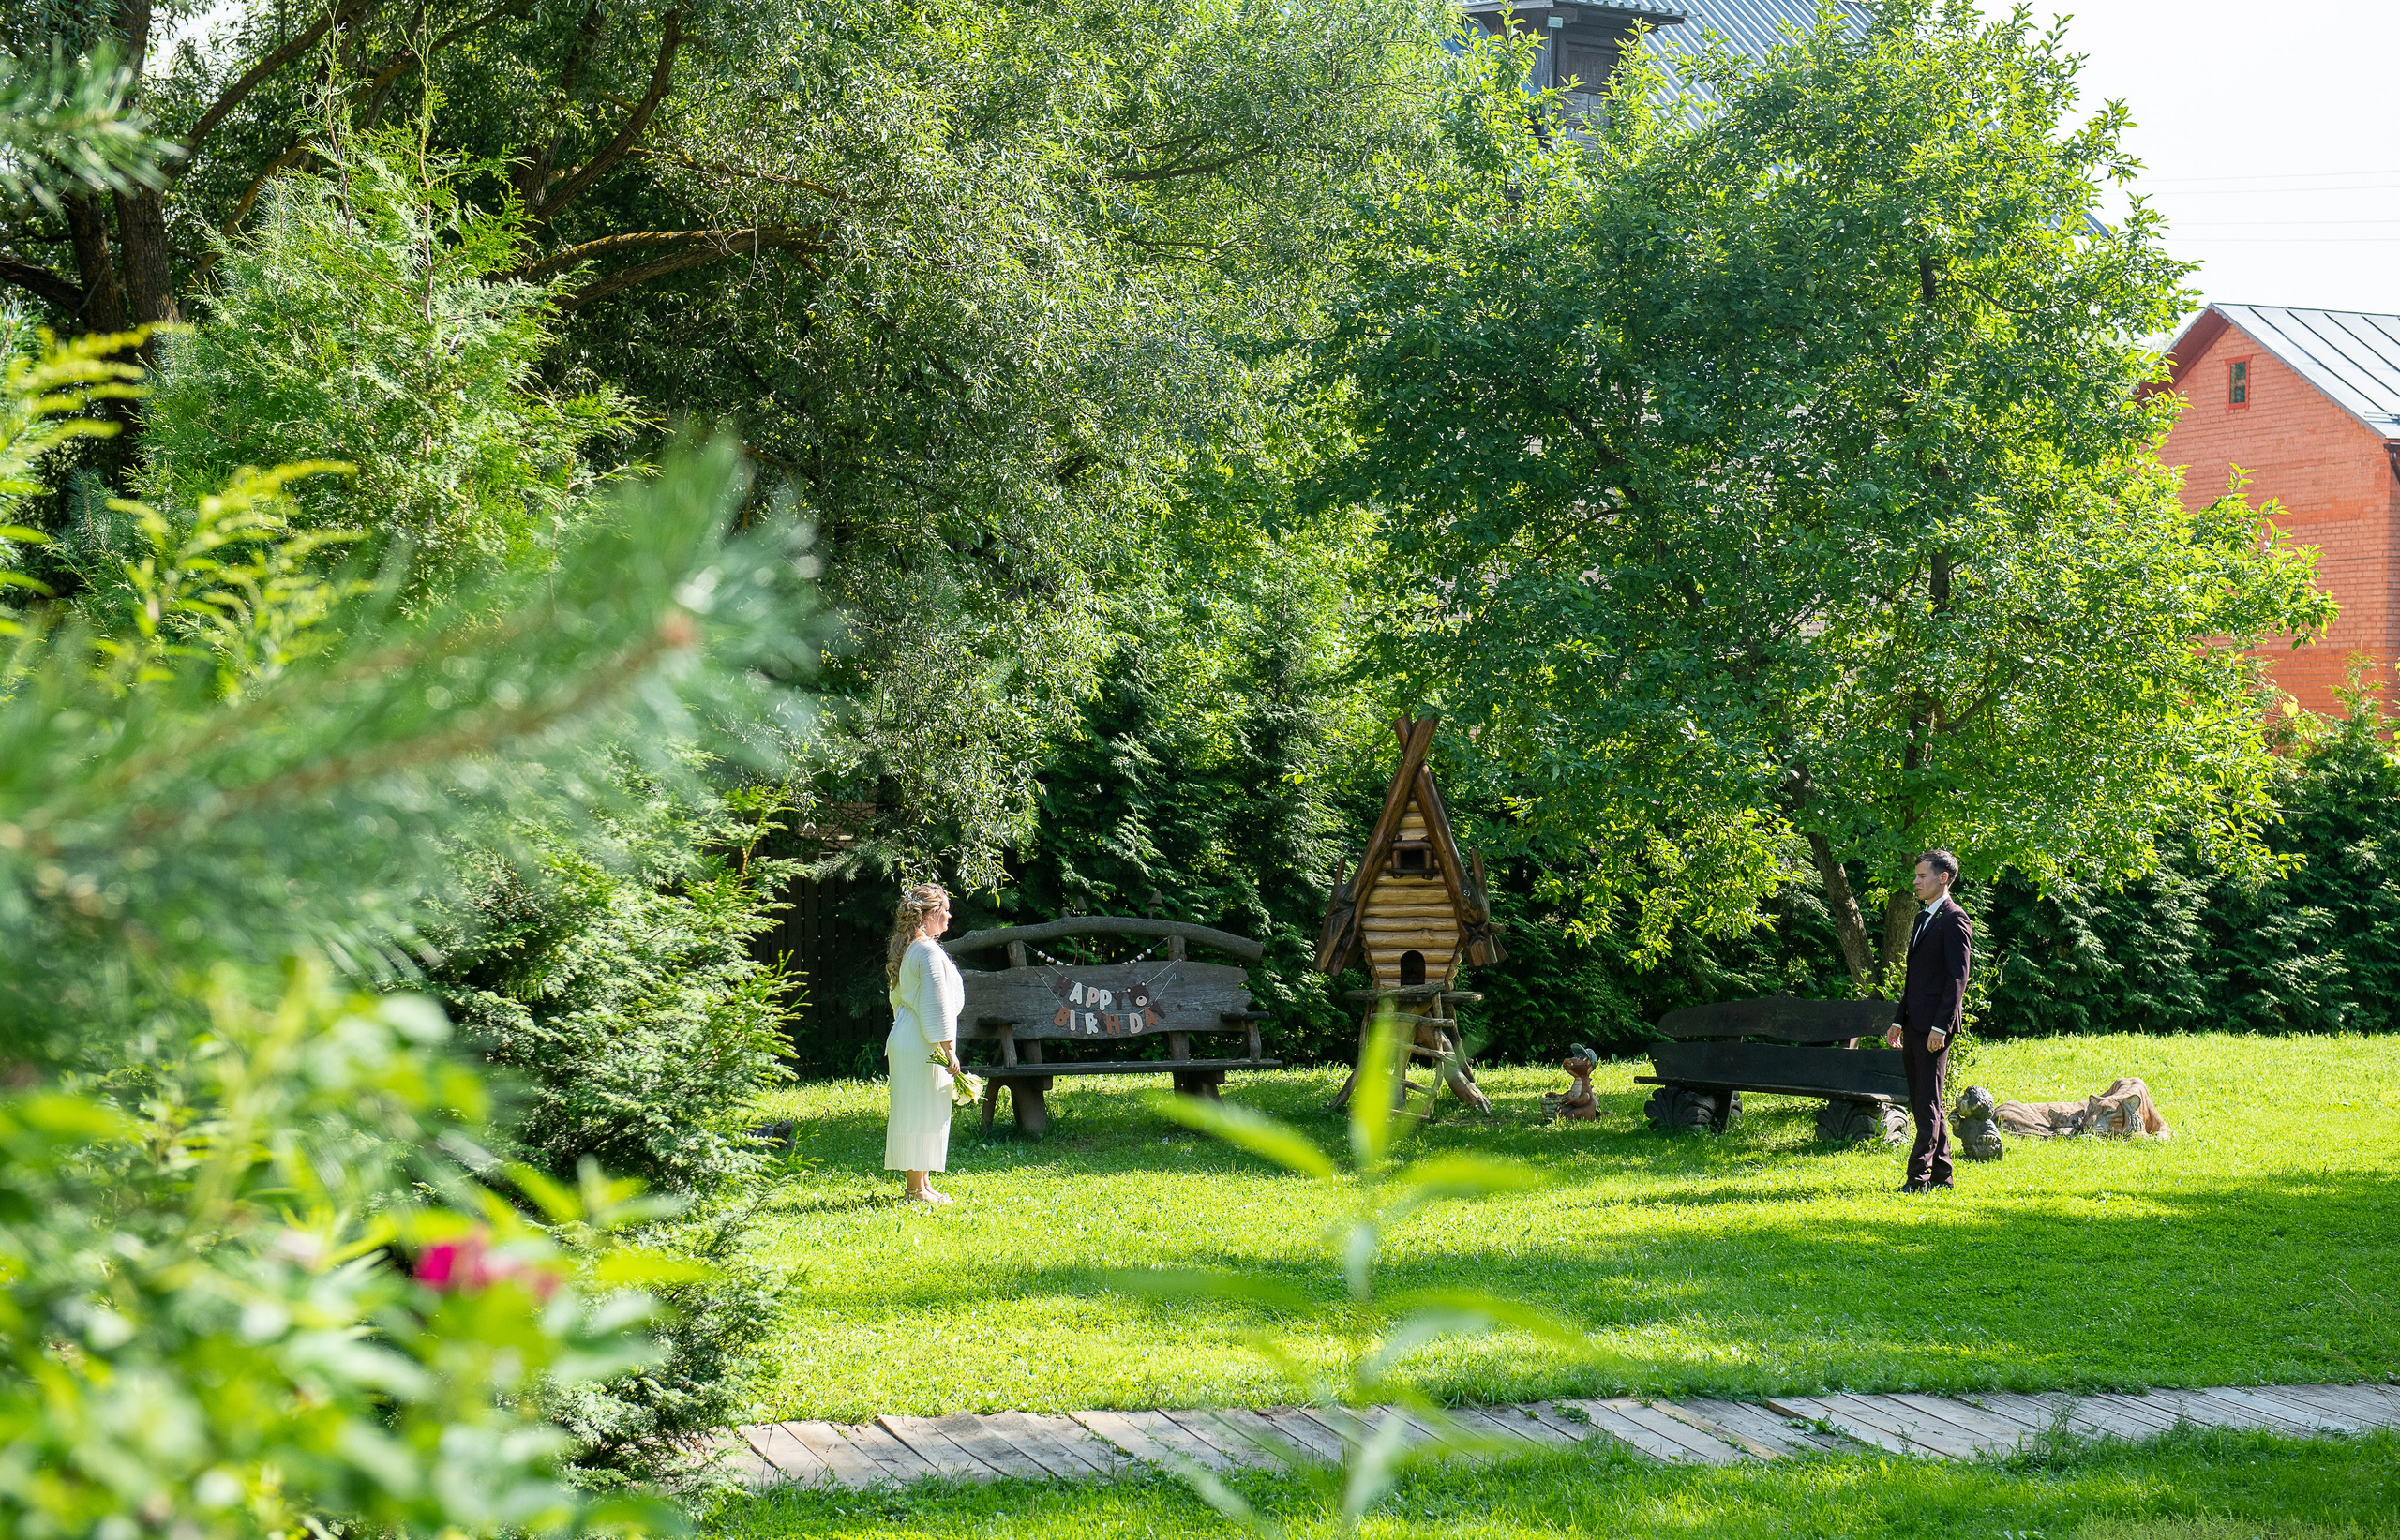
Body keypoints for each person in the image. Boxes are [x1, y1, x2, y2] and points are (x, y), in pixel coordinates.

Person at [1885, 848, 1971, 1193]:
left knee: (1927, 1102)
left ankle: (1917, 1178)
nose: (1916, 881)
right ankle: (1942, 1175)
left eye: (1922, 876)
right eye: (1916, 875)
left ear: (1943, 878)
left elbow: (1956, 979)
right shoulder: (1922, 918)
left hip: (1935, 1026)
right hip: (1914, 1022)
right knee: (1924, 1099)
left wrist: (1941, 1027)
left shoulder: (1955, 918)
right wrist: (1898, 1020)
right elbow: (1915, 978)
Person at [885, 882, 965, 1204]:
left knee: (927, 1109)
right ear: (929, 914)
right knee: (919, 1111)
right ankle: (914, 1190)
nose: (948, 914)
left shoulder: (914, 948)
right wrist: (948, 1048)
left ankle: (924, 1183)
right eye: (943, 909)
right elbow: (936, 1003)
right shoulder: (926, 951)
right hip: (922, 1040)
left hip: (913, 1036)